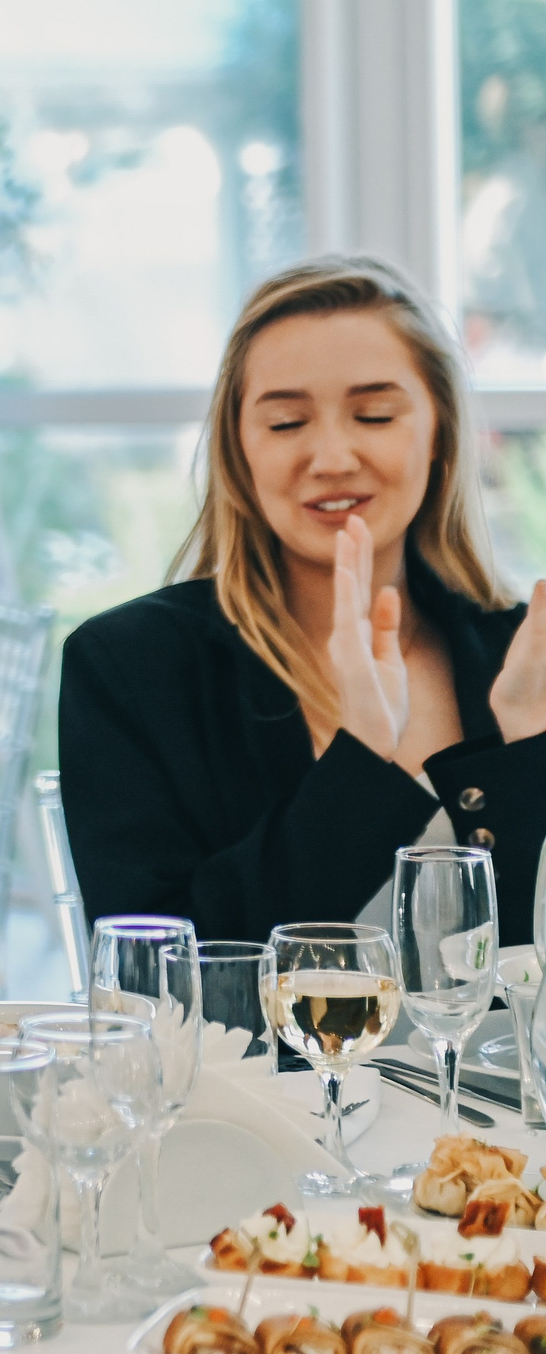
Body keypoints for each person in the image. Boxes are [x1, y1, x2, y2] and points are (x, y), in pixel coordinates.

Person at [62, 257, 546, 944]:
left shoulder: (521, 658)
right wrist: (362, 761)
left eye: (374, 414)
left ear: (438, 432)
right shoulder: (130, 665)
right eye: (287, 422)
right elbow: (160, 974)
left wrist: (532, 753)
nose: (331, 455)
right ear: (241, 449)